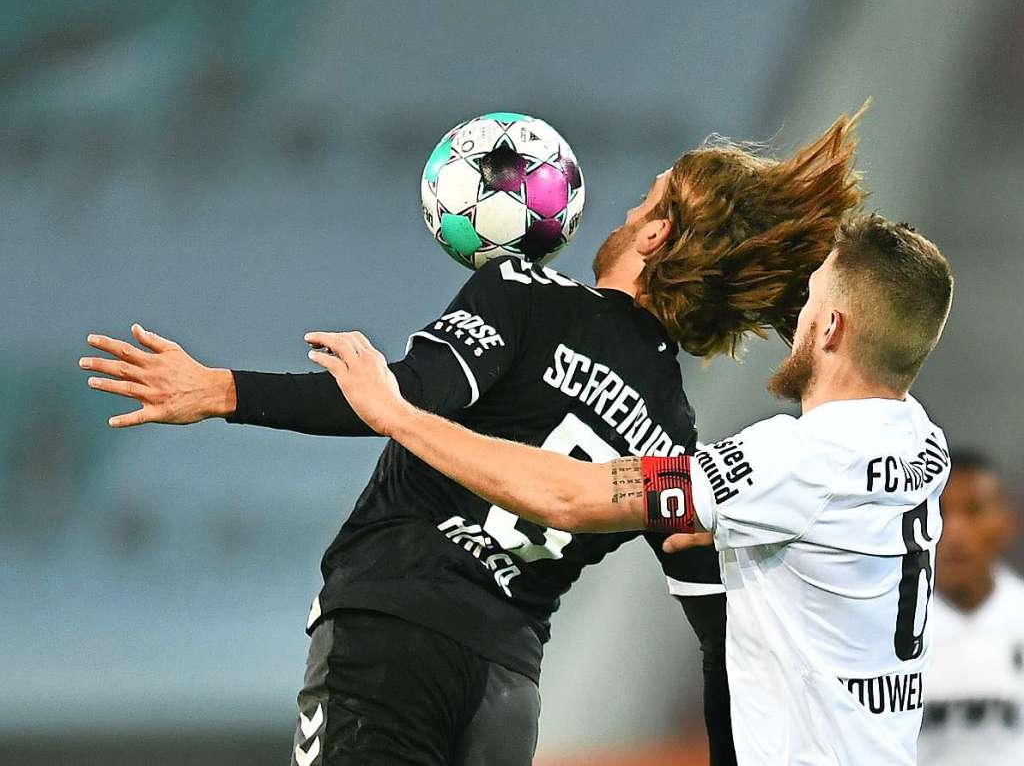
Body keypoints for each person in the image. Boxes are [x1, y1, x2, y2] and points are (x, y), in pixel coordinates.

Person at [80, 111, 864, 766]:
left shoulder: (527, 295)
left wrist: (219, 390)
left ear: (657, 237)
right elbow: (716, 622)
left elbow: (402, 398)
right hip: (505, 692)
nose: (624, 215)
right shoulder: (674, 432)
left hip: (393, 637)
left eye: (644, 204)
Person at [306, 213, 954, 765]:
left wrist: (398, 414)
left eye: (811, 297)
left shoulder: (794, 459)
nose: (799, 314)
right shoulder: (922, 445)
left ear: (833, 328)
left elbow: (574, 497)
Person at [917, 450, 1024, 764]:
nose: (956, 533)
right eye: (941, 513)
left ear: (1007, 522)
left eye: (974, 510)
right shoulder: (886, 628)